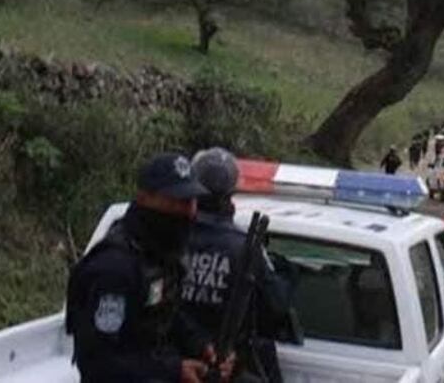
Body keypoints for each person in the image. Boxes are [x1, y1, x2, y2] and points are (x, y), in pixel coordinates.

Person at [65, 153, 232, 383]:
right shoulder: (114, 268)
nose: (189, 211)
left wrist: (202, 345)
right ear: (145, 198)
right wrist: (173, 371)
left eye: (192, 201)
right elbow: (99, 362)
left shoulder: (157, 253)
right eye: (178, 201)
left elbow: (164, 312)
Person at [181, 148, 295, 382]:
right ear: (231, 192)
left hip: (166, 362)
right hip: (222, 365)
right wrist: (287, 272)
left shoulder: (166, 235)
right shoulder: (244, 247)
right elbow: (277, 306)